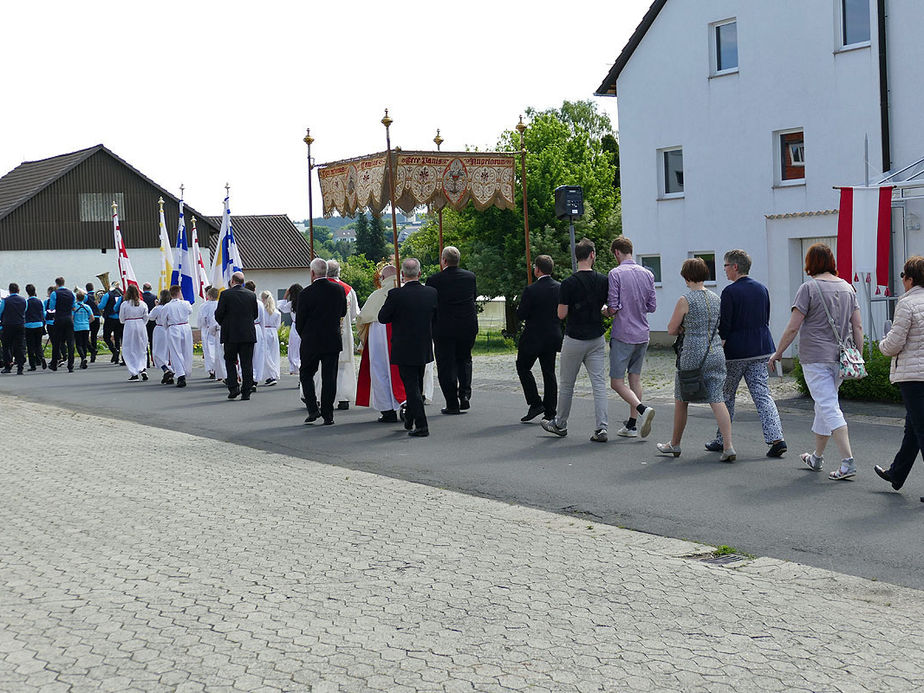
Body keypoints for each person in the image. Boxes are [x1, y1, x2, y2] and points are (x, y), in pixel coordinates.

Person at [769, 243, 862, 480]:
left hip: (815, 358)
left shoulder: (808, 288)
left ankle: (848, 461)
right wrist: (857, 356)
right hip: (840, 359)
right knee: (823, 405)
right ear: (831, 261)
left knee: (829, 406)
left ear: (811, 263)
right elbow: (857, 326)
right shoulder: (848, 288)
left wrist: (778, 352)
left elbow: (793, 326)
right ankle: (816, 458)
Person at [705, 250, 786, 457]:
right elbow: (765, 317)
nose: (723, 270)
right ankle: (777, 439)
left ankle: (722, 439)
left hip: (736, 352)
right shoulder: (762, 289)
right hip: (761, 349)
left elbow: (726, 326)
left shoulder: (730, 292)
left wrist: (717, 348)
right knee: (762, 395)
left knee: (726, 395)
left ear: (735, 267)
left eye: (725, 266)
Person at [657, 257, 736, 461]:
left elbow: (672, 329)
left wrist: (683, 327)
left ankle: (674, 444)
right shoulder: (716, 298)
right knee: (717, 399)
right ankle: (728, 446)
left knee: (682, 399)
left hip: (693, 353)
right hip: (716, 352)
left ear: (688, 276)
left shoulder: (685, 300)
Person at [541, 238, 610, 442]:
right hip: (596, 338)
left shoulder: (568, 283)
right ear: (592, 255)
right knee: (598, 384)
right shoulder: (603, 280)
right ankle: (601, 428)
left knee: (567, 384)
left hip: (574, 338)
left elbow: (562, 314)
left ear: (576, 256)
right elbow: (608, 308)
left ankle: (560, 423)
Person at [876, 256, 924, 491]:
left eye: (903, 276)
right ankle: (897, 473)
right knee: (913, 428)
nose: (902, 280)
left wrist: (881, 344)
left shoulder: (907, 304)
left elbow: (895, 343)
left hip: (913, 377)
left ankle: (897, 473)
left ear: (910, 279)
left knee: (921, 429)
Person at [378, 257, 439, 437]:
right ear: (419, 273)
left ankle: (421, 425)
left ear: (403, 275)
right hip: (423, 344)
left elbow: (383, 317)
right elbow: (436, 316)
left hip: (403, 345)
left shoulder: (396, 295)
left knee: (411, 386)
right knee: (417, 385)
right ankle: (411, 417)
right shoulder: (431, 293)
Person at [605, 237, 657, 438]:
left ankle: (643, 409)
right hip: (643, 333)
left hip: (623, 333)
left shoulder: (615, 273)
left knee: (616, 382)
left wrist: (605, 311)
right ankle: (632, 424)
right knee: (634, 378)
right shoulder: (648, 274)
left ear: (617, 252)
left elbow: (613, 307)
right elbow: (652, 306)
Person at [426, 245, 477, 414]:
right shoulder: (470, 277)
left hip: (444, 327)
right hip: (467, 325)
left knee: (446, 365)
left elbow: (432, 304)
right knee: (465, 359)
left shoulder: (434, 280)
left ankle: (451, 402)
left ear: (444, 261)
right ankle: (465, 395)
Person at [297, 257, 346, 424]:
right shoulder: (339, 290)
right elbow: (343, 313)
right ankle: (328, 414)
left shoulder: (305, 293)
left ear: (312, 273)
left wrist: (305, 335)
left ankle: (312, 408)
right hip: (332, 339)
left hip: (311, 340)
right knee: (329, 378)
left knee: (306, 374)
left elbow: (300, 322)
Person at [516, 255, 562, 423]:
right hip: (552, 335)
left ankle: (535, 402)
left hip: (533, 336)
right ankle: (550, 411)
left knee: (522, 367)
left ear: (537, 270)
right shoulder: (560, 287)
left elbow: (521, 314)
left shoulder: (531, 290)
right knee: (549, 372)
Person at [356, 264, 405, 422]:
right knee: (404, 370)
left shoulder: (375, 296)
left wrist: (363, 341)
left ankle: (387, 410)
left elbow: (362, 319)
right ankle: (407, 404)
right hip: (402, 331)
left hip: (378, 331)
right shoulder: (405, 291)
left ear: (383, 278)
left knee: (380, 371)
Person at [214, 271, 258, 401]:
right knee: (247, 364)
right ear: (242, 282)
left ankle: (233, 387)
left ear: (232, 281)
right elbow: (255, 314)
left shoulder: (225, 294)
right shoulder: (251, 295)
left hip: (231, 334)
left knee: (230, 360)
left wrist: (225, 324)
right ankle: (246, 391)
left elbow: (219, 314)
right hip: (247, 334)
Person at [324, 259, 359, 409]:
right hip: (343, 332)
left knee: (324, 367)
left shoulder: (318, 288)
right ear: (339, 272)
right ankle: (343, 398)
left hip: (324, 333)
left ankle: (323, 397)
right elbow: (354, 314)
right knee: (344, 367)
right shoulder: (349, 290)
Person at [163, 285, 193, 388]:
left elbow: (164, 321)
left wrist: (168, 328)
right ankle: (182, 373)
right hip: (185, 327)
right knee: (186, 351)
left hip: (174, 328)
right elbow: (190, 311)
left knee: (176, 352)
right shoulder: (186, 304)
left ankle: (181, 375)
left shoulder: (167, 306)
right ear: (179, 293)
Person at [119, 284, 150, 381]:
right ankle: (143, 368)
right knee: (141, 347)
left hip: (129, 325)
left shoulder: (124, 304)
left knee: (129, 349)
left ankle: (134, 372)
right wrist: (141, 323)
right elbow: (146, 317)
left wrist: (128, 321)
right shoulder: (142, 304)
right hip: (140, 325)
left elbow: (121, 319)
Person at [48, 277, 75, 372]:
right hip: (69, 318)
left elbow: (51, 307)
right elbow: (73, 307)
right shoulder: (71, 293)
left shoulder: (54, 293)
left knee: (57, 342)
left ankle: (54, 364)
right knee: (70, 342)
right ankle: (71, 365)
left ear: (56, 284)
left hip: (59, 318)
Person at [0, 283, 27, 374]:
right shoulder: (24, 300)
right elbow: (25, 310)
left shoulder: (5, 301)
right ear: (18, 290)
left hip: (8, 325)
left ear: (9, 290)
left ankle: (8, 366)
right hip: (20, 324)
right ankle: (20, 367)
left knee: (7, 346)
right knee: (20, 346)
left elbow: (0, 312)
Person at [277, 283, 302, 376]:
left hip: (295, 327)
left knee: (293, 348)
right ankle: (299, 367)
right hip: (304, 327)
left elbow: (281, 308)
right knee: (301, 349)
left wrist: (285, 294)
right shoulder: (304, 301)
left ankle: (295, 367)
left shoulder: (292, 304)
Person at [244, 281, 266, 390]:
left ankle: (250, 378)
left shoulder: (244, 301)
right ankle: (255, 378)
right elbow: (262, 320)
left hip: (247, 328)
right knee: (257, 355)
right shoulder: (260, 303)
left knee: (249, 355)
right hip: (257, 328)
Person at [149, 289, 173, 383]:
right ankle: (169, 373)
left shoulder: (158, 308)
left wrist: (156, 306)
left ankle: (166, 370)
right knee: (168, 351)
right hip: (169, 329)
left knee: (158, 352)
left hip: (160, 329)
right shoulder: (171, 306)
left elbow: (151, 317)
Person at [98, 282, 123, 364]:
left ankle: (114, 351)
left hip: (110, 318)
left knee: (106, 337)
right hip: (119, 319)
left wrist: (98, 303)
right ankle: (117, 356)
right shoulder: (121, 295)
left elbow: (101, 306)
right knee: (117, 338)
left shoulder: (107, 295)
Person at [23, 284, 46, 371]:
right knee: (38, 344)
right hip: (39, 324)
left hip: (29, 325)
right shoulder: (40, 301)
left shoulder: (26, 302)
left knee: (30, 346)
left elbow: (24, 313)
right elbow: (43, 314)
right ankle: (41, 357)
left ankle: (33, 365)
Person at [260, 290, 281, 385]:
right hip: (273, 332)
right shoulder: (276, 312)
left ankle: (271, 374)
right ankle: (272, 374)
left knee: (266, 354)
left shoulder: (262, 310)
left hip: (265, 332)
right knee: (273, 354)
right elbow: (278, 325)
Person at [199, 287, 218, 379]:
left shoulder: (204, 306)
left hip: (207, 329)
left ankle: (212, 369)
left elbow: (202, 319)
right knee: (216, 350)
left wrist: (202, 326)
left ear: (209, 295)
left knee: (208, 351)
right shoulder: (220, 304)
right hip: (218, 330)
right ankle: (216, 369)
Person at [72, 289, 94, 369]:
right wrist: (87, 322)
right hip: (86, 327)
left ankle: (83, 358)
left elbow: (72, 318)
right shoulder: (87, 307)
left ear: (76, 298)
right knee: (85, 344)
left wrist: (74, 324)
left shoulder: (74, 307)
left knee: (78, 344)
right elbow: (92, 318)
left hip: (77, 327)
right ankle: (84, 360)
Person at [83, 282, 101, 363]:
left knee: (85, 337)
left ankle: (91, 350)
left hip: (89, 319)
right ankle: (93, 355)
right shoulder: (98, 296)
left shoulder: (86, 297)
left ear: (86, 289)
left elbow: (80, 303)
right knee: (94, 336)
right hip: (97, 318)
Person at [141, 282, 157, 365]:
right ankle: (154, 360)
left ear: (143, 289)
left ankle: (146, 362)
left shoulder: (141, 298)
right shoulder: (155, 297)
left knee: (145, 341)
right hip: (153, 321)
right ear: (150, 289)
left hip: (144, 322)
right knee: (152, 341)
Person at [42, 286, 56, 369]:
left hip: (50, 323)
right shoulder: (58, 302)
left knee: (54, 342)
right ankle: (61, 356)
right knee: (57, 341)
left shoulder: (46, 302)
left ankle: (57, 357)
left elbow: (44, 313)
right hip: (57, 322)